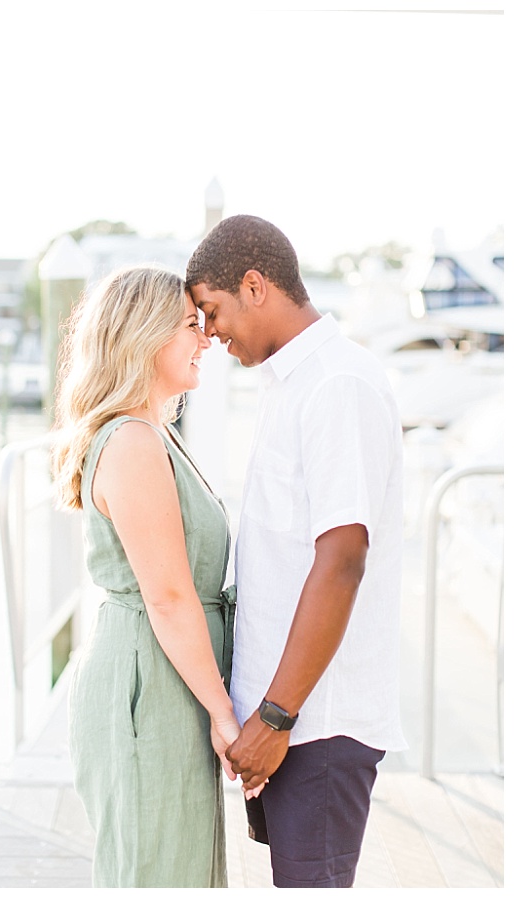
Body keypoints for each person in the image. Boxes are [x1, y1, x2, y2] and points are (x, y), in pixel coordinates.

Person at [186, 214, 406, 888]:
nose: (208, 332)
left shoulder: (338, 384)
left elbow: (341, 559)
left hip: (316, 724)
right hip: (287, 721)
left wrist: (276, 717)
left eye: (212, 310)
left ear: (255, 287)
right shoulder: (290, 385)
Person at [52, 265, 241, 887]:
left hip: (167, 675)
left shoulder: (152, 432)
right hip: (149, 682)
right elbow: (166, 595)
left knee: (175, 865)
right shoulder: (132, 441)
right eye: (192, 325)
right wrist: (223, 712)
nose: (207, 337)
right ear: (146, 334)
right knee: (158, 871)